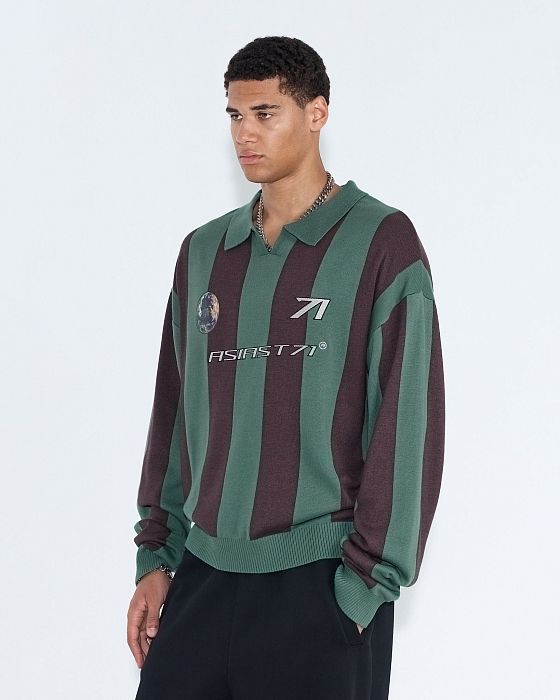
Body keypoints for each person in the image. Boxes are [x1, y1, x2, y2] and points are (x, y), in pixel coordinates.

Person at [127, 35, 445, 700]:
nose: (245, 134)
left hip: (320, 586)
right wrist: (156, 556)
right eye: (235, 115)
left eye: (265, 113)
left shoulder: (381, 243)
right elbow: (174, 413)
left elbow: (407, 424)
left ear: (317, 112)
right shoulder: (204, 253)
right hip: (203, 576)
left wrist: (362, 589)